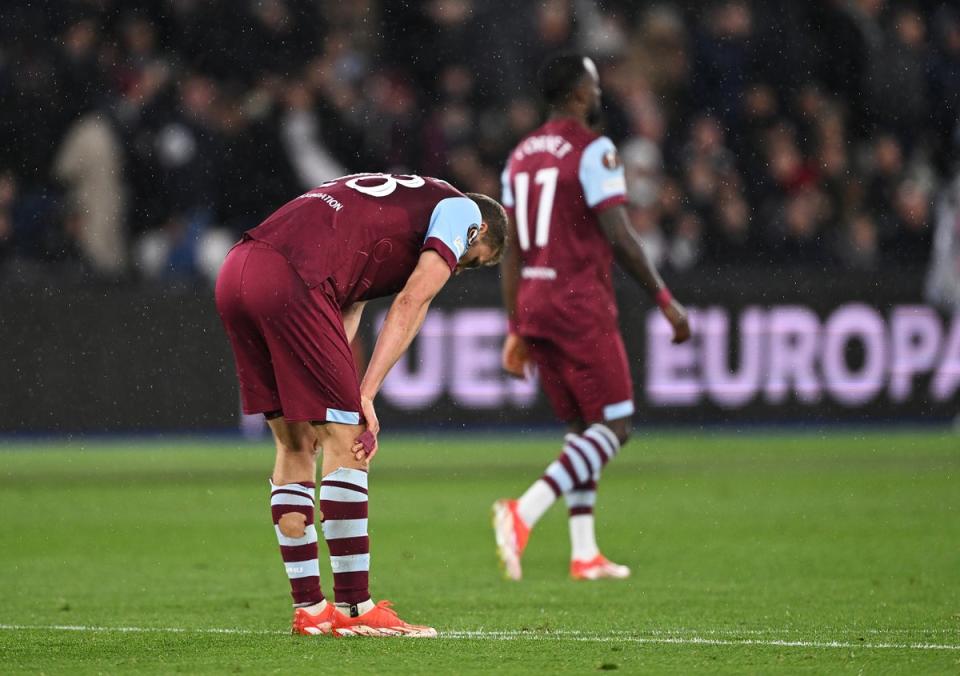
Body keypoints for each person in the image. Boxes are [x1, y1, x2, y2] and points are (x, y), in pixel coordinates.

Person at [215, 173, 506, 636]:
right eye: (472, 262)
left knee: (296, 443)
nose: (459, 267)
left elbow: (343, 311)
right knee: (348, 440)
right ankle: (355, 608)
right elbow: (413, 300)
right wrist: (362, 396)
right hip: (294, 277)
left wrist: (337, 392)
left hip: (238, 272)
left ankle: (310, 611)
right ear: (482, 233)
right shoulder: (463, 212)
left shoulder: (393, 212)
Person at [494, 54, 691, 581]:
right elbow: (620, 237)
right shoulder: (592, 150)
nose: (599, 94)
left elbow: (510, 251)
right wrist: (664, 298)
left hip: (536, 302)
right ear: (580, 95)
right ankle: (524, 511)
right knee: (617, 425)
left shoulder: (519, 157)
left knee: (582, 426)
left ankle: (584, 550)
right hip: (578, 301)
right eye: (595, 86)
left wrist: (515, 325)